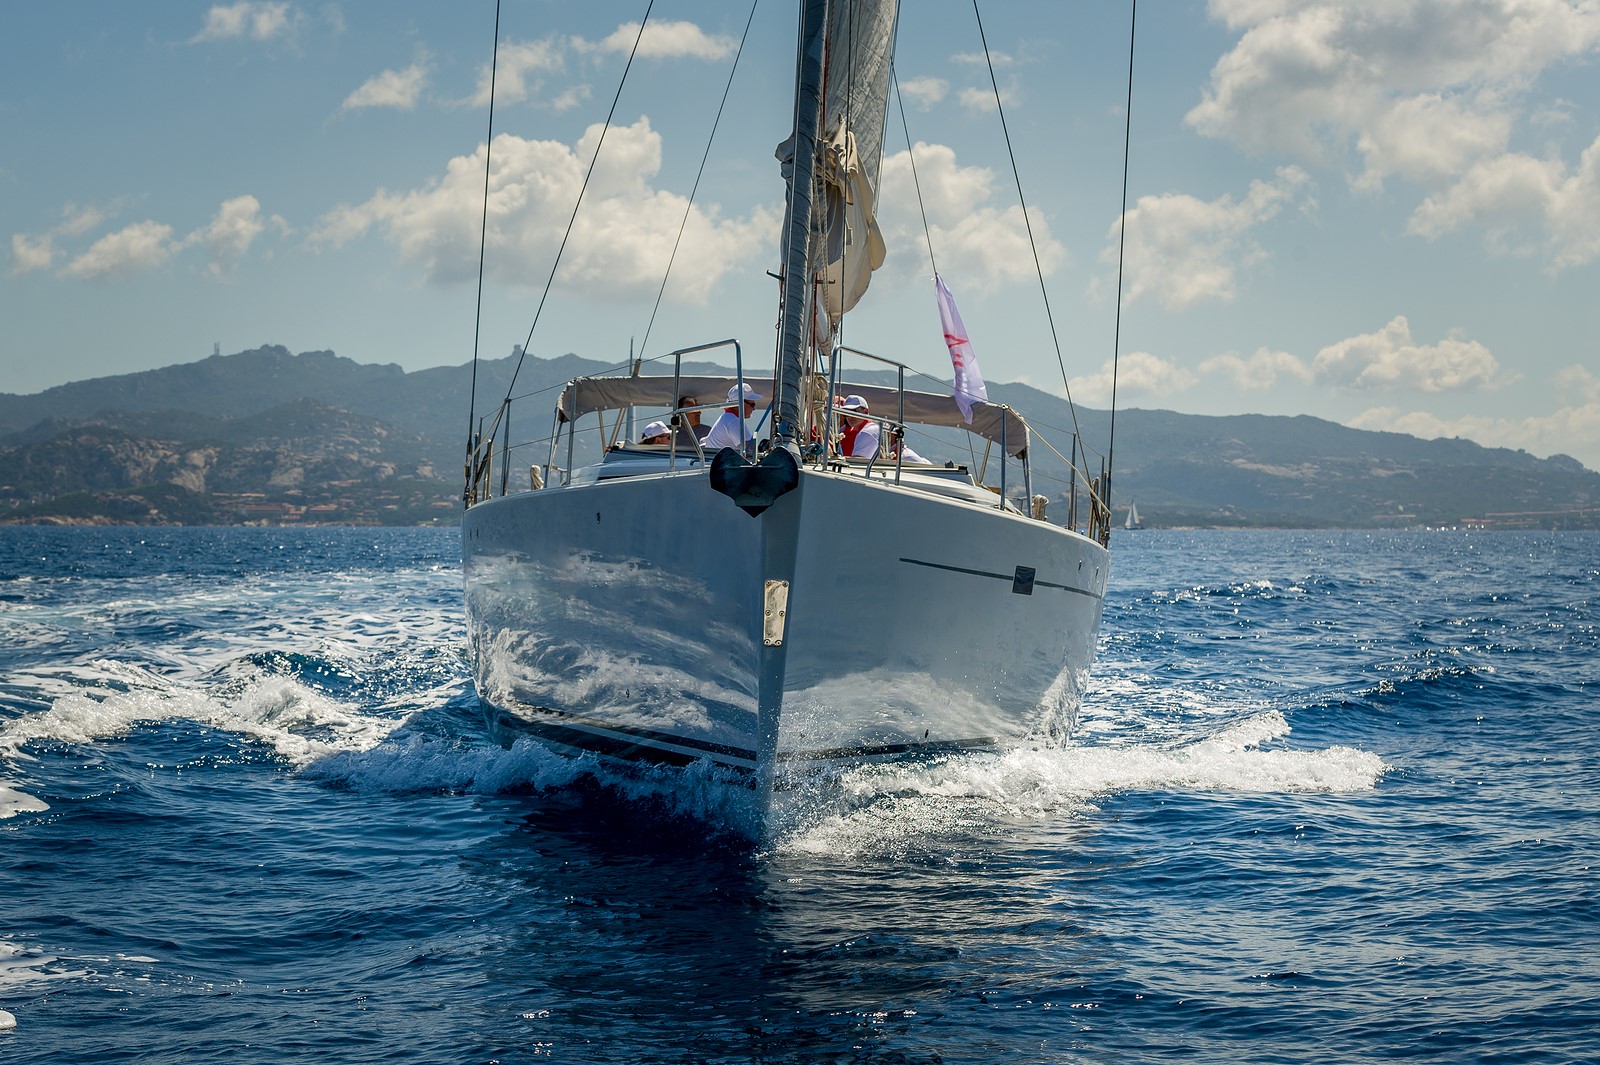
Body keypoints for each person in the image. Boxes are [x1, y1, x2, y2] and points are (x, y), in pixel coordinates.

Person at [702, 383, 763, 451]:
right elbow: (750, 449)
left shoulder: (727, 417)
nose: (754, 409)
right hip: (723, 458)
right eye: (752, 405)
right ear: (741, 404)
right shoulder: (733, 421)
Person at [837, 394, 879, 459]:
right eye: (846, 413)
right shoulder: (868, 429)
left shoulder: (867, 432)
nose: (850, 416)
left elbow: (857, 461)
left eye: (853, 412)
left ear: (866, 412)